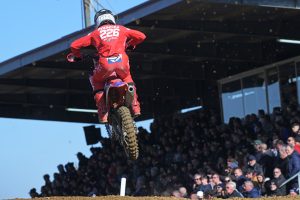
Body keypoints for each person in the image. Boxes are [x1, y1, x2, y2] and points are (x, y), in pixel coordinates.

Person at [67, 9, 146, 123]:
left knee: (96, 81)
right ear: (112, 18)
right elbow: (142, 36)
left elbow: (74, 45)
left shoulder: (95, 33)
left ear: (98, 21)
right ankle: (135, 107)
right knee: (128, 78)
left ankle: (103, 112)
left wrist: (78, 56)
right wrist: (130, 45)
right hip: (122, 63)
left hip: (105, 65)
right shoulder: (122, 29)